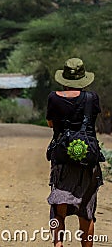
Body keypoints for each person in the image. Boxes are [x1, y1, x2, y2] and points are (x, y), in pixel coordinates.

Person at [46, 58, 103, 247]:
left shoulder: (53, 97)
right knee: (86, 213)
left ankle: (58, 244)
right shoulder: (91, 98)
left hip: (62, 161)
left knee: (58, 209)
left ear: (64, 78)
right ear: (83, 79)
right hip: (88, 161)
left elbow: (51, 124)